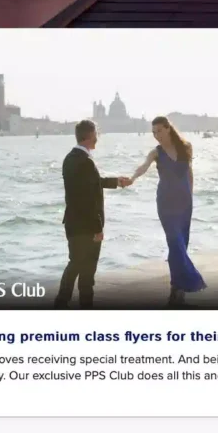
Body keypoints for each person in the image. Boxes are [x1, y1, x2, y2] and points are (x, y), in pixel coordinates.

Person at [129, 116, 206, 306]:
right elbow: (144, 166)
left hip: (184, 202)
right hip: (166, 203)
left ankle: (176, 290)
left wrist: (191, 194)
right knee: (175, 242)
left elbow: (189, 172)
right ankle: (191, 280)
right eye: (153, 133)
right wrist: (132, 178)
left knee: (180, 245)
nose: (156, 136)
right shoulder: (156, 152)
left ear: (168, 129)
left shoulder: (186, 148)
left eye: (159, 131)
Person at [55, 119, 131, 309]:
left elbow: (92, 183)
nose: (98, 137)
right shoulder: (86, 162)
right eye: (96, 134)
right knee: (86, 272)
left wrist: (116, 182)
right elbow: (90, 199)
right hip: (88, 226)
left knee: (74, 264)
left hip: (73, 223)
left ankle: (61, 303)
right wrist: (97, 228)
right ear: (90, 136)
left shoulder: (70, 158)